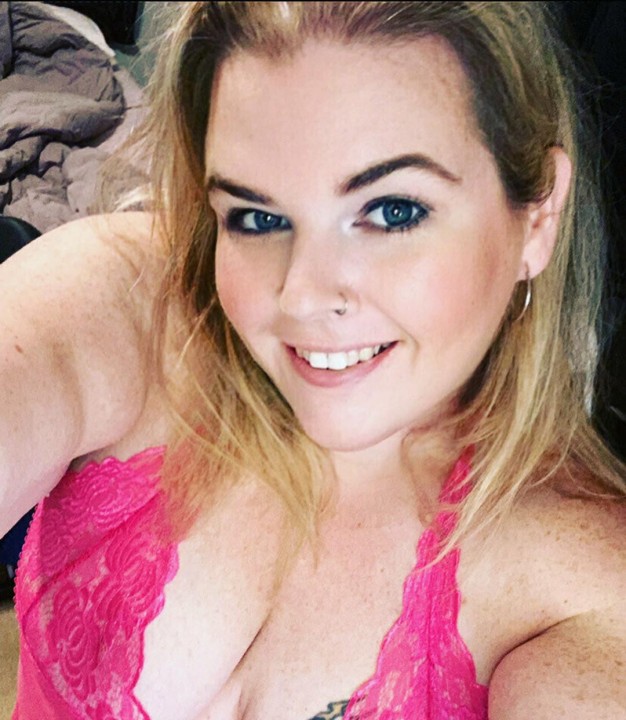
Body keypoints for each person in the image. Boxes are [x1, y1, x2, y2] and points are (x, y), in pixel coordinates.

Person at [2, 2, 625, 718]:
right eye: (257, 217)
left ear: (537, 216)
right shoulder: (127, 304)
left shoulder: (581, 597)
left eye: (392, 212)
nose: (300, 294)